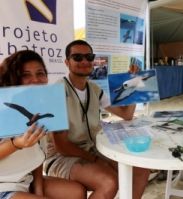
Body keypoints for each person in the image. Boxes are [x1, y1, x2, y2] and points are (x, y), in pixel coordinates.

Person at [44, 40, 150, 199]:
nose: (84, 61)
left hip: (92, 148)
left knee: (141, 170)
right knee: (109, 182)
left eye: (89, 56)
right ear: (67, 62)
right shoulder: (56, 92)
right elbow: (62, 146)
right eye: (77, 57)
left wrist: (134, 83)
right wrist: (95, 160)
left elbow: (126, 114)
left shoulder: (94, 89)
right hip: (62, 157)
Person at [0, 50, 86, 199]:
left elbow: (38, 156)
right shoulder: (3, 109)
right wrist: (16, 144)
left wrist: (38, 191)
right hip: (3, 186)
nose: (35, 80)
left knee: (77, 192)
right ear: (13, 77)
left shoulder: (43, 107)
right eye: (26, 75)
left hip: (25, 181)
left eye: (40, 73)